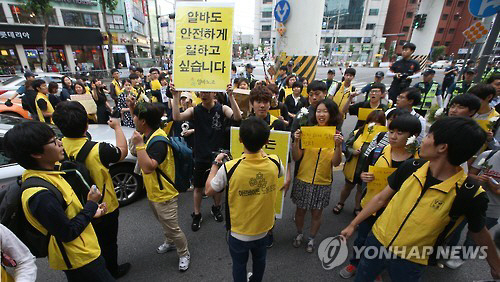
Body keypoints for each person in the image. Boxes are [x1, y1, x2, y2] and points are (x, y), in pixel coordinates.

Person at [340, 117, 500, 282]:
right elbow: (381, 198)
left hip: (412, 259)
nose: (422, 140)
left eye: (429, 136)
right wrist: (353, 224)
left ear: (442, 147)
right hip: (377, 242)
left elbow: (479, 233)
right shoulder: (411, 167)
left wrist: (496, 267)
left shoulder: (470, 193)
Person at [3, 121, 113, 282]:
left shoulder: (50, 173)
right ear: (36, 153)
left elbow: (65, 216)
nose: (60, 143)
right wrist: (90, 204)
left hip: (85, 251)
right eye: (54, 141)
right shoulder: (40, 195)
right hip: (79, 260)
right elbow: (67, 233)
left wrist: (91, 212)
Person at [52, 101, 130, 278]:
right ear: (86, 124)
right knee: (108, 242)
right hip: (104, 205)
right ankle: (112, 271)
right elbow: (122, 152)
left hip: (75, 206)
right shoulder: (98, 149)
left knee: (87, 240)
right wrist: (117, 128)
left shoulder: (56, 148)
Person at [339, 114, 421, 279]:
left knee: (383, 245)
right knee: (362, 238)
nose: (393, 136)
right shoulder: (378, 151)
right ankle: (355, 263)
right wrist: (364, 177)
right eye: (391, 131)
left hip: (395, 213)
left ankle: (374, 269)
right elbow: (365, 172)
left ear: (413, 136)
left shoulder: (419, 161)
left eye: (400, 133)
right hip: (371, 206)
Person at [205, 117, 285, 282]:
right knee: (260, 261)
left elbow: (208, 190)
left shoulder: (230, 167)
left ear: (240, 140)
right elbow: (281, 173)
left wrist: (215, 164)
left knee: (239, 265)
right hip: (264, 229)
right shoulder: (275, 162)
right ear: (267, 141)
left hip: (239, 232)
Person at [129, 102, 191, 271]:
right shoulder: (148, 134)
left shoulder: (158, 141)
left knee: (173, 227)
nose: (133, 119)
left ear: (143, 122)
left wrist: (139, 144)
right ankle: (170, 242)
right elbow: (137, 152)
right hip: (153, 191)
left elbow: (148, 168)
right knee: (164, 222)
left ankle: (184, 253)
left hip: (165, 194)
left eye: (135, 117)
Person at [172, 84, 242, 232]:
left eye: (207, 92)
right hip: (200, 155)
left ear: (214, 93)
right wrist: (175, 96)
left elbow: (237, 117)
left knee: (218, 187)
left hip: (218, 155)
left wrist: (231, 96)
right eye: (201, 92)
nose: (204, 94)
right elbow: (177, 117)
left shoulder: (222, 108)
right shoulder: (195, 110)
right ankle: (197, 214)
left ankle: (216, 208)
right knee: (198, 187)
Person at [291, 99, 343, 252]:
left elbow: (336, 163)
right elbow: (296, 157)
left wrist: (338, 146)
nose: (321, 114)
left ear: (331, 114)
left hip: (323, 181)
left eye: (325, 111)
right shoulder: (308, 131)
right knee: (300, 211)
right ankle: (299, 234)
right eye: (319, 111)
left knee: (316, 213)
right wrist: (296, 141)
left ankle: (311, 238)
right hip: (303, 179)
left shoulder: (336, 135)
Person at [444, 149, 500, 269]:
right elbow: (469, 174)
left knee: (474, 236)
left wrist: (492, 185)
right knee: (455, 227)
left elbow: (498, 191)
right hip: (470, 200)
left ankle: (462, 257)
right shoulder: (489, 155)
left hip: (492, 209)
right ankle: (448, 247)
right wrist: (478, 179)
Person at [334, 110, 387, 215]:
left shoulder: (383, 138)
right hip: (354, 167)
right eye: (371, 121)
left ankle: (357, 207)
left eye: (377, 122)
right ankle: (341, 203)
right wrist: (353, 152)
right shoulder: (357, 133)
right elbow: (346, 145)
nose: (374, 124)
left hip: (367, 169)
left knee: (360, 189)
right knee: (348, 186)